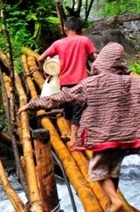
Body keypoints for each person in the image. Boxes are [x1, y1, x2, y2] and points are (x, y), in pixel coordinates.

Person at [21, 42, 140, 212]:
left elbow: (62, 97)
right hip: (126, 136)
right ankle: (110, 202)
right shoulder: (133, 82)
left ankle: (115, 201)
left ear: (101, 62)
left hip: (103, 136)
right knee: (113, 169)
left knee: (97, 169)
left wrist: (32, 104)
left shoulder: (90, 84)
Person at [38, 16, 96, 149]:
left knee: (68, 109)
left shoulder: (58, 44)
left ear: (65, 29)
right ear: (81, 29)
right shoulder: (85, 40)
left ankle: (70, 134)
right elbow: (93, 59)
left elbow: (41, 58)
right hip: (81, 82)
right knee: (78, 110)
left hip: (64, 82)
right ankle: (74, 139)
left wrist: (47, 71)